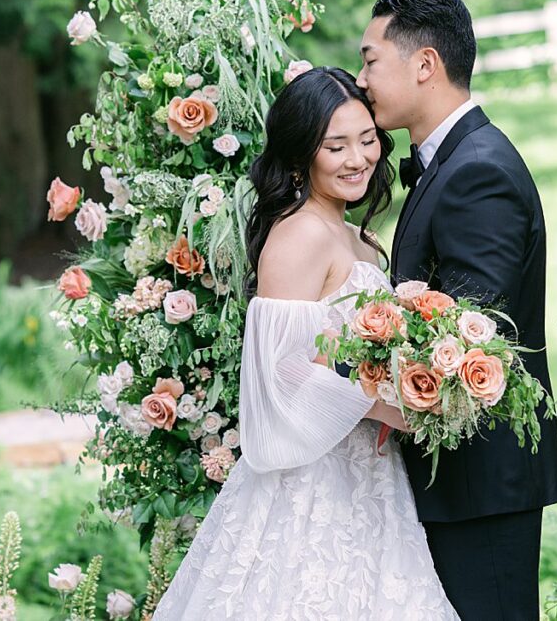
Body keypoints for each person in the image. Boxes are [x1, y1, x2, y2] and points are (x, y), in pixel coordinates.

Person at [153, 66, 459, 620]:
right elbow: (284, 370)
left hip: (368, 475)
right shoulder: (299, 235)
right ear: (300, 157)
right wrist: (387, 405)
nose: (358, 158)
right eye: (335, 146)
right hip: (309, 479)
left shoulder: (356, 236)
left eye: (367, 140)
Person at [356, 0, 557, 620]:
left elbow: (468, 339)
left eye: (371, 60)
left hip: (482, 484)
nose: (362, 78)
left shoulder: (477, 172)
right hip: (455, 479)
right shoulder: (448, 161)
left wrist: (356, 390)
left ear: (424, 64)